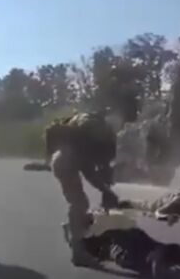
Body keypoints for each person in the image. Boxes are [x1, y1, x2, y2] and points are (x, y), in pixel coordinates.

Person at [45, 111, 121, 267]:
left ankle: (72, 228)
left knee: (81, 205)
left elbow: (92, 171)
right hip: (64, 163)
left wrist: (105, 190)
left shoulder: (95, 138)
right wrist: (105, 190)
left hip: (62, 160)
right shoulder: (92, 144)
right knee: (79, 204)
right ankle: (78, 253)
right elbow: (89, 172)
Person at [80, 209, 180, 278]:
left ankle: (160, 265)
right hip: (136, 232)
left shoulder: (97, 223)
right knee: (164, 250)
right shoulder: (103, 212)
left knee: (130, 259)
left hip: (126, 239)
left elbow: (88, 237)